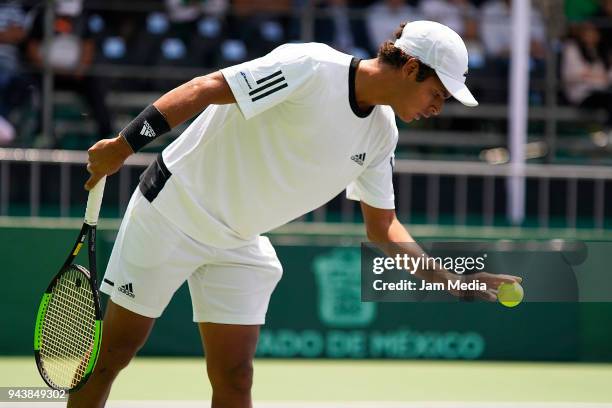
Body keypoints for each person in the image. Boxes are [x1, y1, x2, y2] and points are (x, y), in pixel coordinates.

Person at [72, 21, 521, 408]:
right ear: (409, 68)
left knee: (235, 377)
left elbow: (382, 228)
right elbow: (207, 88)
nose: (437, 108)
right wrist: (124, 145)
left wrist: (455, 282)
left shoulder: (382, 135)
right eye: (436, 93)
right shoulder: (310, 67)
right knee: (114, 354)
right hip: (172, 211)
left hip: (238, 239)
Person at [561, 21, 612, 127]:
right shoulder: (572, 48)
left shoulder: (601, 51)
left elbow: (609, 76)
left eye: (593, 31)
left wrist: (591, 75)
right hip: (582, 95)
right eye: (586, 31)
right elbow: (574, 75)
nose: (590, 34)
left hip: (603, 92)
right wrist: (600, 78)